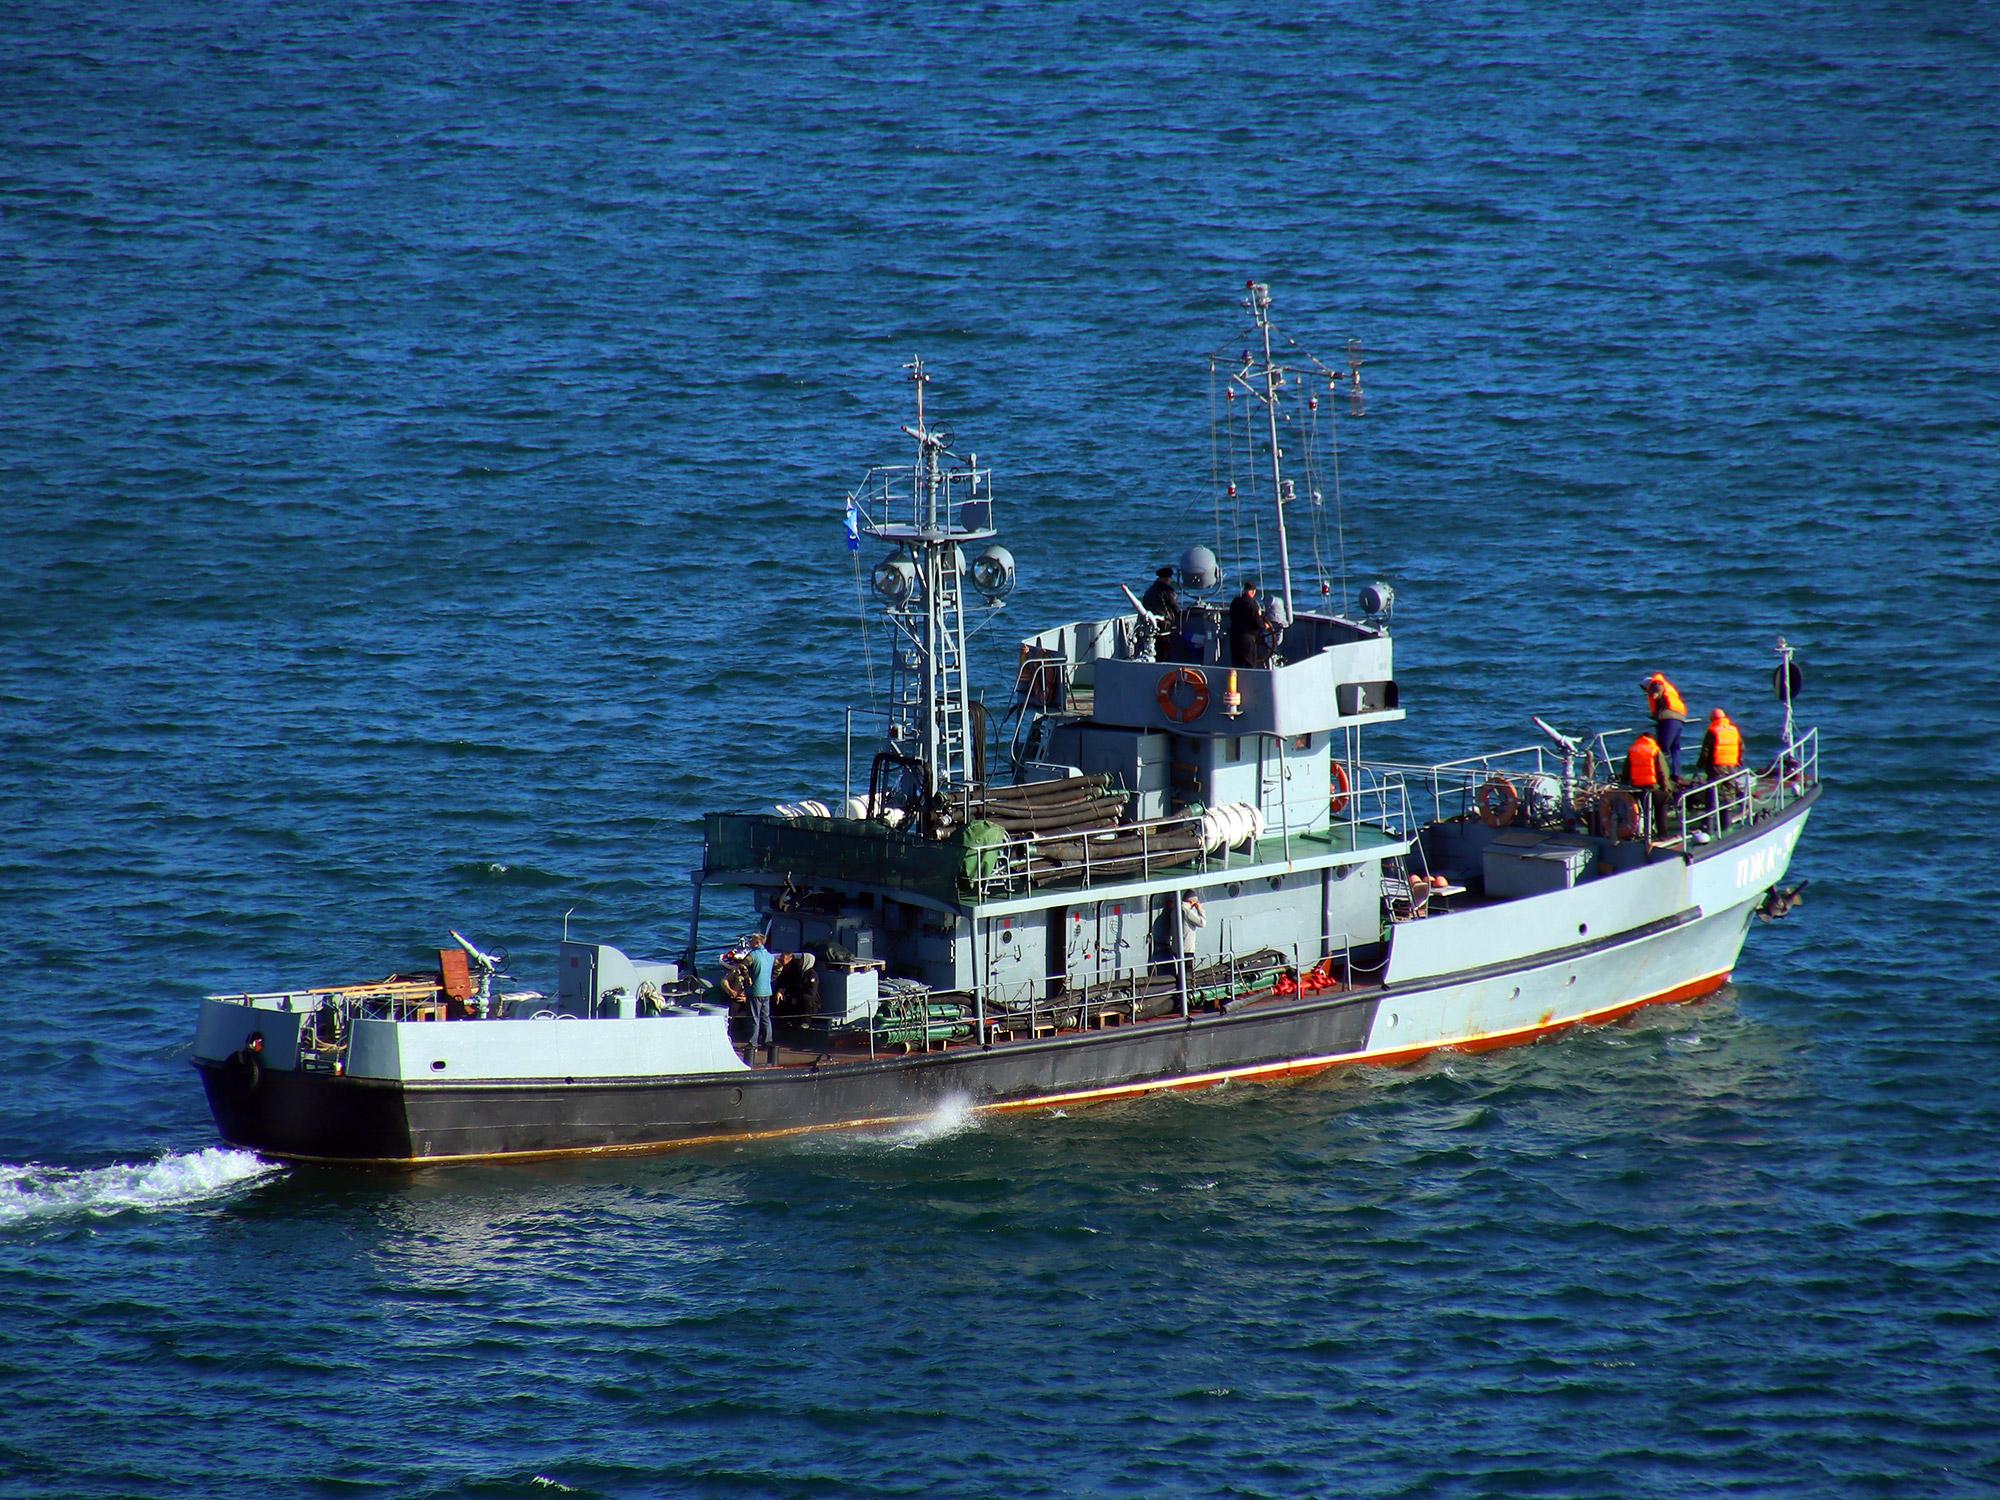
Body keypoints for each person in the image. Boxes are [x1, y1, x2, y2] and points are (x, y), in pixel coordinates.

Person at [1694, 708, 1746, 832]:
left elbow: (1706, 751)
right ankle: (1726, 826)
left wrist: (1699, 765)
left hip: (1717, 767)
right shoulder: (1734, 730)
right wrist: (1738, 760)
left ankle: (1709, 827)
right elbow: (1741, 747)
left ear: (1713, 718)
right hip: (1732, 766)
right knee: (1729, 795)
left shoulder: (1713, 730)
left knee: (1713, 794)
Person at [1643, 672, 1690, 780]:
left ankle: (1662, 776)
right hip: (1679, 718)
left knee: (1662, 750)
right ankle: (1676, 774)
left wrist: (1655, 694)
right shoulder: (1668, 686)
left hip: (1668, 719)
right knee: (1675, 748)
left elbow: (1657, 688)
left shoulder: (1656, 683)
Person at [1625, 730, 1670, 840]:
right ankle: (1662, 834)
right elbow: (1662, 771)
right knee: (1661, 804)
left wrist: (1626, 786)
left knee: (1645, 809)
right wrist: (1667, 788)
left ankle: (1648, 832)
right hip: (1653, 788)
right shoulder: (1655, 750)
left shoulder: (1632, 750)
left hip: (1638, 789)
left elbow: (1626, 771)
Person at [745, 932, 775, 1064]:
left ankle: (753, 1043)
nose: (750, 942)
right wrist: (771, 979)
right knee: (766, 1017)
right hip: (767, 991)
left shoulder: (752, 955)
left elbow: (742, 966)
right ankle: (768, 1041)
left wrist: (748, 979)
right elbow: (779, 968)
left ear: (757, 942)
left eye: (751, 940)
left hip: (755, 991)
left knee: (754, 1018)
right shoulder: (770, 956)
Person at [1228, 580, 1268, 668]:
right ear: (1253, 591)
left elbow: (1231, 616)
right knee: (1249, 664)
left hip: (1234, 638)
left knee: (1236, 665)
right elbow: (1258, 623)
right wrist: (1264, 626)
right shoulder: (1253, 604)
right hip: (1247, 639)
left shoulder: (1235, 602)